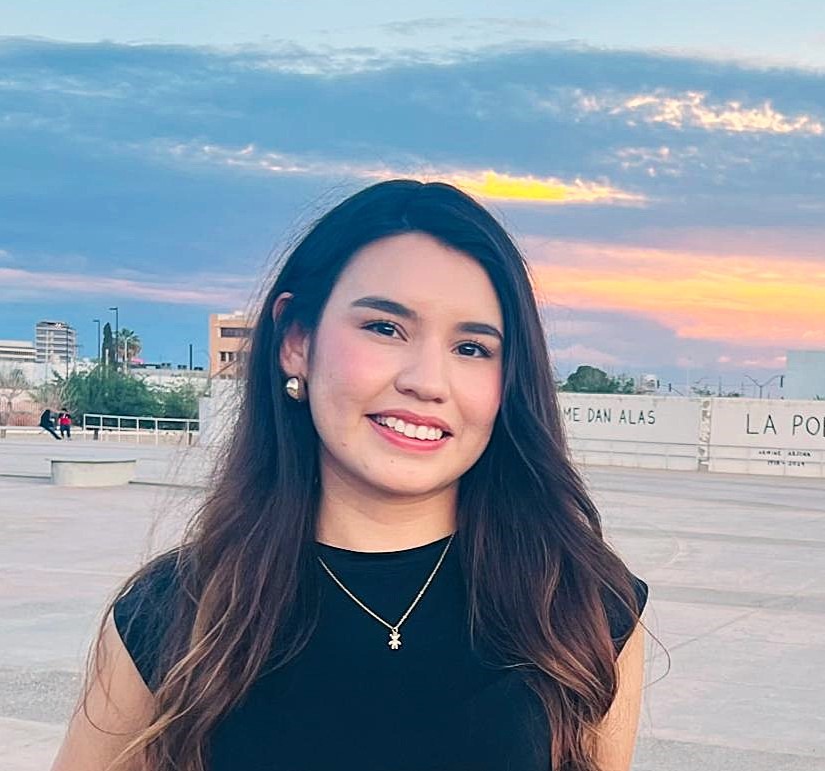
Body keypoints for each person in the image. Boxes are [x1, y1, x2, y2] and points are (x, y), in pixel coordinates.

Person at [52, 180, 648, 771]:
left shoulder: (581, 611)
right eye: (385, 328)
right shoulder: (176, 613)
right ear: (296, 341)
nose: (427, 382)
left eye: (471, 348)